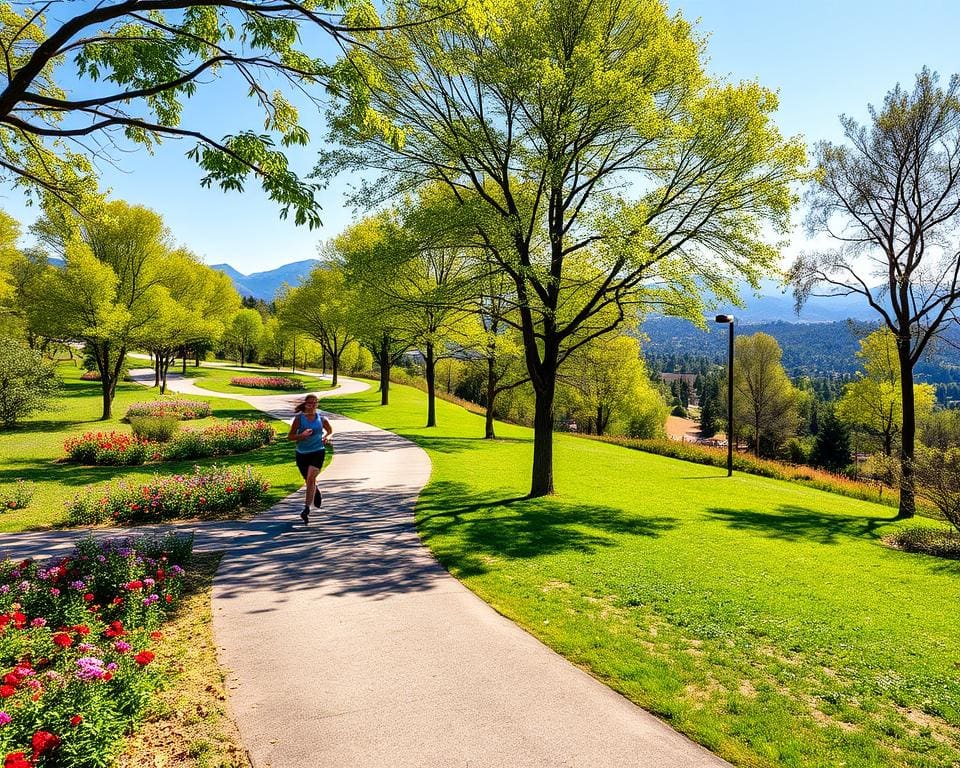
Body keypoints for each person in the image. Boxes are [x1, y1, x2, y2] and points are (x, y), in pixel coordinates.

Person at [287, 395, 333, 524]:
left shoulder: (322, 419)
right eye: (310, 403)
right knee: (308, 480)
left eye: (315, 403)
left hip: (318, 451)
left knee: (311, 478)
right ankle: (315, 490)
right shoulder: (299, 419)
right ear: (305, 404)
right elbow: (290, 436)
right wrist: (301, 435)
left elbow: (330, 431)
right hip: (301, 453)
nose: (312, 405)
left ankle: (306, 509)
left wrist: (327, 437)